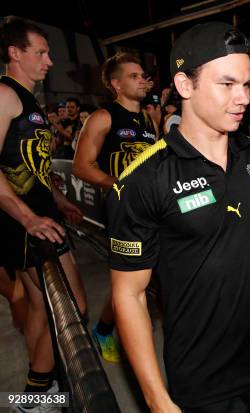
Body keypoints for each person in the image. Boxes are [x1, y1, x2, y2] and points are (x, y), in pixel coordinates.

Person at [107, 22, 250, 412]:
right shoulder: (144, 178)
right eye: (227, 84)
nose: (243, 98)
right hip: (204, 383)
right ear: (184, 85)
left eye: (247, 84)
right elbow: (129, 294)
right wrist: (156, 398)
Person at [0, 16, 87, 406]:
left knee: (40, 306)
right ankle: (39, 394)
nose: (49, 61)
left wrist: (58, 200)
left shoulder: (28, 99)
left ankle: (39, 390)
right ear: (14, 53)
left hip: (37, 216)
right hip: (24, 224)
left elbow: (29, 163)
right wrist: (28, 217)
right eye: (41, 52)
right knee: (72, 307)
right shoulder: (4, 95)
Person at [73, 52, 156, 363]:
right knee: (130, 281)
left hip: (153, 210)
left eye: (142, 74)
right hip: (123, 215)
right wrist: (116, 184)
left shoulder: (148, 120)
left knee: (148, 278)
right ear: (115, 83)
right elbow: (81, 167)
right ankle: (105, 330)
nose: (142, 80)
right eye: (134, 76)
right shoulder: (103, 116)